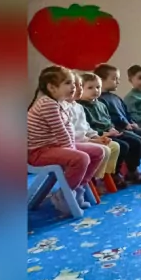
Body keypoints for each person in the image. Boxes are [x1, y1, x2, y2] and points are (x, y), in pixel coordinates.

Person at [28, 66, 105, 214]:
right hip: (38, 152)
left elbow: (68, 130)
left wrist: (73, 148)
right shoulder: (47, 104)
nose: (73, 87)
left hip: (54, 147)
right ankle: (65, 195)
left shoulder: (61, 102)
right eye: (68, 83)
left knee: (98, 152)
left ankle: (77, 189)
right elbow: (60, 131)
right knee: (81, 158)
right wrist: (73, 151)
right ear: (52, 87)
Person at [78, 72, 141, 185]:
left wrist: (112, 129)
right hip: (98, 135)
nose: (95, 90)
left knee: (137, 141)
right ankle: (114, 173)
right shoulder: (81, 107)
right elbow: (87, 127)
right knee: (123, 146)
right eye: (90, 88)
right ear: (80, 89)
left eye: (98, 87)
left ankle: (132, 170)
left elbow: (107, 120)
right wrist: (104, 133)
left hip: (111, 132)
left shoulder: (101, 104)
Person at [93, 64, 141, 162]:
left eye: (118, 79)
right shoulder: (100, 100)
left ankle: (131, 160)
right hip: (118, 129)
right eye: (114, 79)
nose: (118, 82)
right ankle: (131, 165)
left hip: (128, 128)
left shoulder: (115, 98)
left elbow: (126, 113)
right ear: (101, 80)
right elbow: (108, 118)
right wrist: (125, 124)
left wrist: (131, 122)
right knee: (137, 141)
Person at [67, 72, 120, 190]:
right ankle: (92, 180)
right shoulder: (65, 107)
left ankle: (102, 176)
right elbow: (70, 134)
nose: (79, 89)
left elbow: (86, 127)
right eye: (76, 86)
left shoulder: (78, 106)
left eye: (80, 86)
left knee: (114, 146)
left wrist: (96, 137)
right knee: (103, 150)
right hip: (76, 141)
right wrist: (91, 140)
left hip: (86, 138)